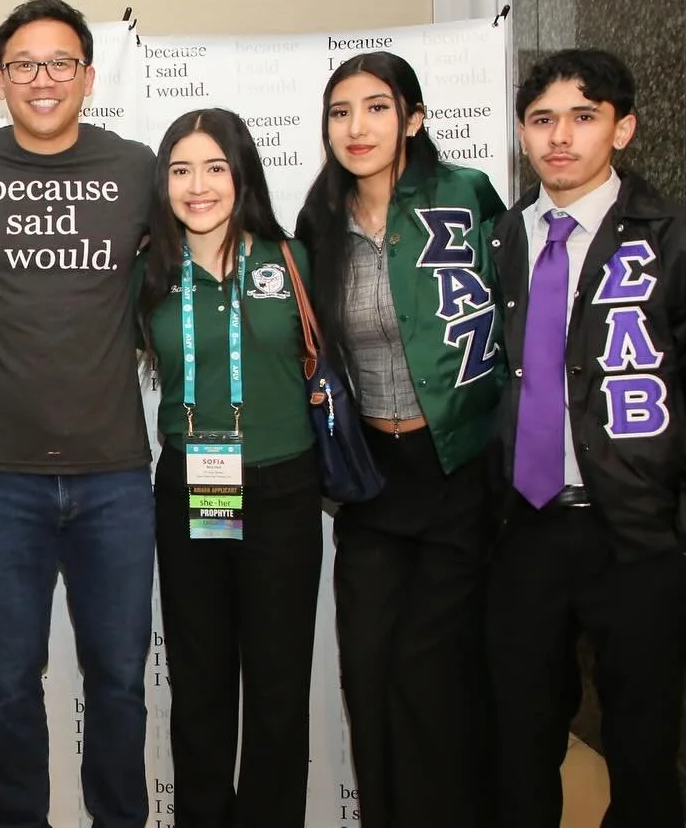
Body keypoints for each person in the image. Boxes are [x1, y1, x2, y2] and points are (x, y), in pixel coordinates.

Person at [0, 0, 156, 828]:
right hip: (0, 478)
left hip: (116, 477)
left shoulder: (137, 169)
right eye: (23, 65)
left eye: (59, 64)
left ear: (88, 76)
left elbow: (205, 240)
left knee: (119, 681)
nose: (42, 80)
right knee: (10, 683)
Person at [294, 52, 504, 828]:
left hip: (457, 470)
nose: (357, 126)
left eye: (377, 107)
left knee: (431, 674)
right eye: (340, 111)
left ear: (413, 118)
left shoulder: (466, 196)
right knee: (369, 669)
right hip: (373, 481)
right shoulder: (320, 226)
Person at [487, 49, 686, 828]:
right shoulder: (503, 239)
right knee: (520, 741)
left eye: (583, 116)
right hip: (526, 527)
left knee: (642, 747)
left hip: (634, 531)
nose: (560, 137)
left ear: (622, 128)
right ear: (521, 134)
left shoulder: (667, 237)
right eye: (542, 120)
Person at [134, 109, 321, 828]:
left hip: (282, 488)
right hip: (192, 487)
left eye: (214, 168)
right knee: (201, 682)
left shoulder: (291, 260)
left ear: (241, 175)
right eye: (180, 170)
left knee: (277, 687)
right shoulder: (150, 271)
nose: (198, 186)